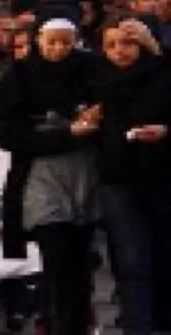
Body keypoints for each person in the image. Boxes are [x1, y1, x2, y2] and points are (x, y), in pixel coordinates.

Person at [0, 14, 100, 335]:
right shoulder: (19, 79)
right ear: (38, 40)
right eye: (51, 42)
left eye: (65, 43)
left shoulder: (90, 71)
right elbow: (10, 137)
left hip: (85, 177)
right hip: (41, 177)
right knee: (57, 257)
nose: (58, 50)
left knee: (80, 262)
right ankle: (56, 323)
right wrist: (67, 132)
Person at [95, 16, 171, 334]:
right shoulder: (97, 81)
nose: (119, 52)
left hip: (163, 176)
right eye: (111, 45)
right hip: (118, 179)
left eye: (127, 43)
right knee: (130, 259)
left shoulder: (162, 76)